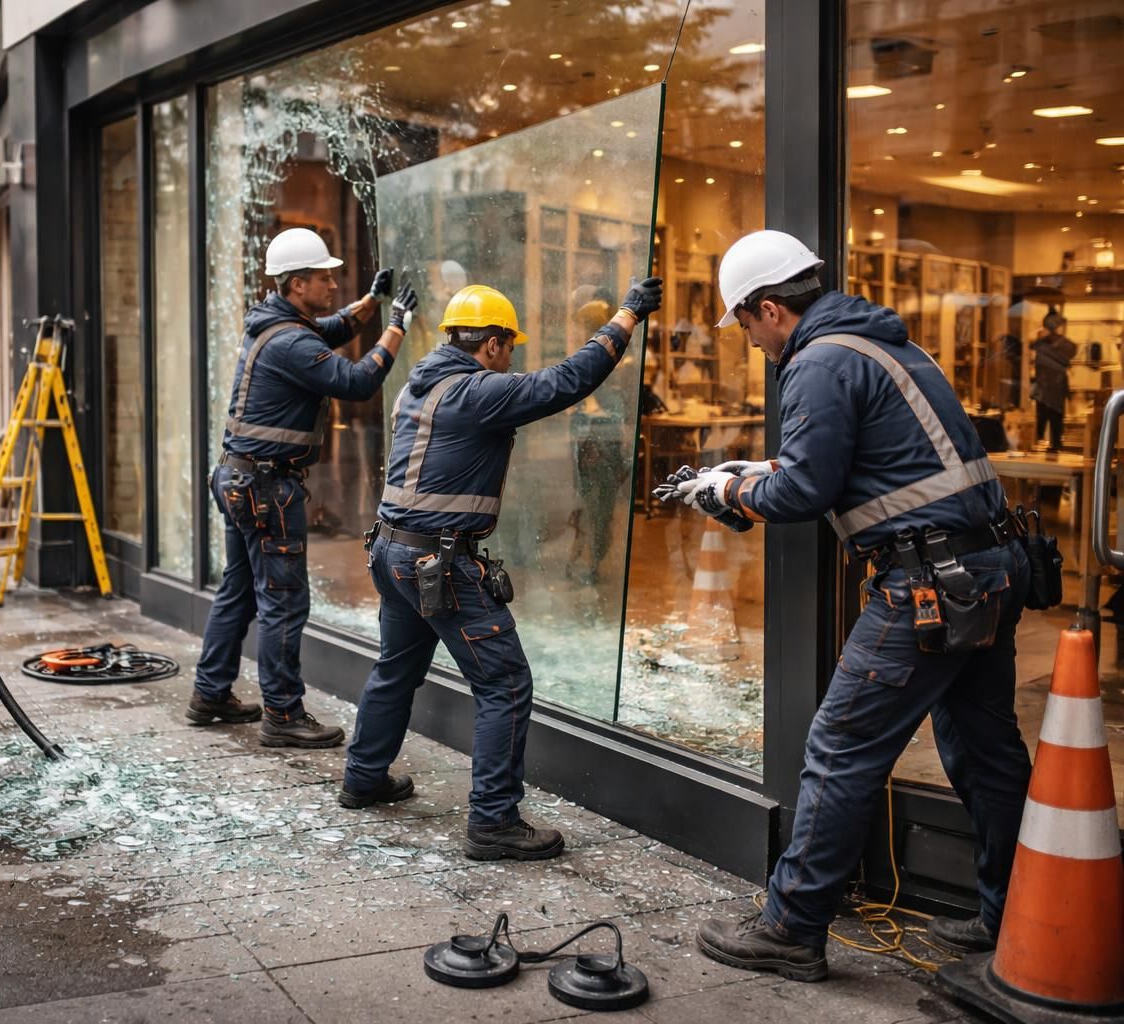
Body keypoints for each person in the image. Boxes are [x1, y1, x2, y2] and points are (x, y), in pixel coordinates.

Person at [671, 230, 1030, 982]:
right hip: (985, 571)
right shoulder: (887, 346)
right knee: (985, 754)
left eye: (744, 324)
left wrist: (727, 488)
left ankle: (792, 929)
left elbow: (805, 491)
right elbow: (870, 461)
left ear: (770, 309)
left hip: (927, 586)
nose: (749, 341)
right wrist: (755, 469)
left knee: (839, 752)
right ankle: (1015, 915)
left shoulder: (818, 361)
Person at [340, 277, 663, 861]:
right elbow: (566, 382)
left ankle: (363, 779)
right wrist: (627, 317)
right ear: (489, 343)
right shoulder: (473, 391)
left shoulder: (419, 387)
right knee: (505, 683)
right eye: (508, 346)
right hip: (434, 559)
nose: (510, 357)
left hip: (393, 553)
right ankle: (493, 821)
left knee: (397, 668)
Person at [188, 227, 416, 748]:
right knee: (284, 603)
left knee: (239, 590)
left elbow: (329, 331)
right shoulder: (291, 339)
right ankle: (283, 714)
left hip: (240, 477)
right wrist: (396, 327)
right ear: (295, 284)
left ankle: (210, 692)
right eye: (323, 276)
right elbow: (357, 382)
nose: (333, 283)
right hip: (266, 488)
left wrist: (370, 303)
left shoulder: (276, 324)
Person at [1029, 311, 1075, 449]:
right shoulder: (1045, 345)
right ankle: (1049, 444)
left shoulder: (1055, 345)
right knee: (1047, 423)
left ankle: (1050, 444)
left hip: (1050, 392)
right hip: (1047, 392)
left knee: (1051, 423)